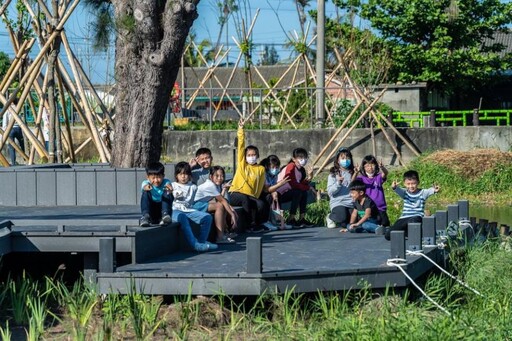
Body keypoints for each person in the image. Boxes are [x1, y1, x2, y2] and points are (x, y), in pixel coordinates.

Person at [228, 119, 269, 233]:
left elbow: (259, 186)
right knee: (245, 198)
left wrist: (256, 197)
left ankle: (258, 223)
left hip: (250, 195)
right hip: (235, 193)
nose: (252, 157)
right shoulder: (242, 165)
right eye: (249, 155)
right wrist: (241, 129)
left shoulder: (260, 169)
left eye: (254, 155)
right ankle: (248, 224)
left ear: (258, 156)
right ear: (245, 156)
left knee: (260, 204)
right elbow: (241, 146)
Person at [170, 161, 218, 251]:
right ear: (176, 175)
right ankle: (194, 244)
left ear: (189, 175)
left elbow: (199, 198)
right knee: (182, 217)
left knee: (207, 217)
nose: (183, 176)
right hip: (175, 210)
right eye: (180, 174)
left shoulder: (193, 187)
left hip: (189, 210)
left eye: (186, 174)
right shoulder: (172, 186)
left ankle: (202, 242)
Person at [385, 170, 440, 241]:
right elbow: (397, 189)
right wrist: (394, 187)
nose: (411, 186)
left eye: (413, 184)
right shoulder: (405, 192)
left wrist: (435, 190)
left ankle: (414, 233)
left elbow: (430, 190)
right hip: (404, 218)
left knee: (413, 221)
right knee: (388, 235)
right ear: (404, 184)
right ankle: (406, 233)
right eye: (408, 184)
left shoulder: (423, 192)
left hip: (416, 217)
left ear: (418, 182)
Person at [194, 165, 238, 244]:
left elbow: (220, 198)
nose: (220, 178)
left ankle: (224, 232)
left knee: (222, 205)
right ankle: (220, 237)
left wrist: (224, 189)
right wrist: (232, 214)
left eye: (222, 176)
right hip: (194, 205)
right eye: (217, 176)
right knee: (220, 205)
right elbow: (222, 200)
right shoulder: (210, 185)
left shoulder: (217, 185)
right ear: (211, 177)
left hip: (202, 203)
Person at [276, 148, 315, 228]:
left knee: (303, 193)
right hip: (279, 194)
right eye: (300, 158)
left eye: (305, 158)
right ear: (294, 159)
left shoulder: (301, 170)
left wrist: (310, 177)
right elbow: (293, 184)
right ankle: (291, 218)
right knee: (298, 192)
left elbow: (300, 184)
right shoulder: (291, 166)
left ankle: (302, 218)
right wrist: (308, 187)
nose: (303, 160)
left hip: (289, 192)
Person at [326, 148, 357, 229]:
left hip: (350, 202)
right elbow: (330, 192)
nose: (345, 160)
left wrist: (356, 174)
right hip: (338, 202)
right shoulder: (333, 174)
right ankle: (330, 217)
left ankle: (343, 222)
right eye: (343, 158)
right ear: (338, 160)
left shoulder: (353, 173)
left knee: (354, 220)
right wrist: (338, 183)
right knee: (341, 217)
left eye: (347, 158)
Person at [356, 155, 390, 227]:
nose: (370, 167)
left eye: (372, 165)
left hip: (380, 207)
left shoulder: (378, 177)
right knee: (369, 224)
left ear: (375, 165)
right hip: (369, 209)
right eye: (367, 165)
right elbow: (353, 183)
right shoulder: (361, 178)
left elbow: (385, 173)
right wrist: (355, 173)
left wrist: (382, 168)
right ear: (364, 167)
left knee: (385, 224)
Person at [259, 155, 291, 230]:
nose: (275, 169)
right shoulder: (264, 174)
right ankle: (265, 221)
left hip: (269, 192)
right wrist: (280, 184)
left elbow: (273, 187)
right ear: (268, 167)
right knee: (268, 197)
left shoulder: (274, 175)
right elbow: (266, 189)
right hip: (261, 194)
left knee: (278, 194)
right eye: (273, 167)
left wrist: (274, 192)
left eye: (277, 167)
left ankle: (280, 221)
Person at [139, 162, 173, 227]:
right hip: (152, 211)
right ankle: (145, 216)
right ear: (148, 177)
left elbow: (168, 186)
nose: (156, 180)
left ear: (163, 176)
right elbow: (144, 186)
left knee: (167, 192)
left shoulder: (166, 182)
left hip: (163, 210)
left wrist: (169, 188)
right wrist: (147, 187)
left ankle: (165, 215)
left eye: (159, 177)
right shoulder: (146, 182)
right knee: (145, 192)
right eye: (153, 178)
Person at [1, 98, 25, 166]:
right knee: (21, 144)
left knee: (11, 147)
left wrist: (5, 130)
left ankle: (13, 162)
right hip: (18, 128)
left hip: (10, 129)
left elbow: (5, 121)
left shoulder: (8, 108)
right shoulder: (18, 107)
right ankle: (25, 159)